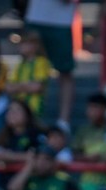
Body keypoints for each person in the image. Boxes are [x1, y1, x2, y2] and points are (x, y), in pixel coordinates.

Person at [23, 0, 77, 133]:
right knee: (30, 66)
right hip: (35, 16)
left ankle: (63, 121)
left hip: (61, 21)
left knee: (65, 70)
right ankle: (28, 118)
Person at [4, 30, 51, 119]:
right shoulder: (20, 65)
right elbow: (9, 87)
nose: (21, 46)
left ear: (35, 46)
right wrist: (27, 86)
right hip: (19, 110)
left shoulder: (41, 62)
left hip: (34, 109)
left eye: (25, 43)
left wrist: (18, 87)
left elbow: (37, 87)